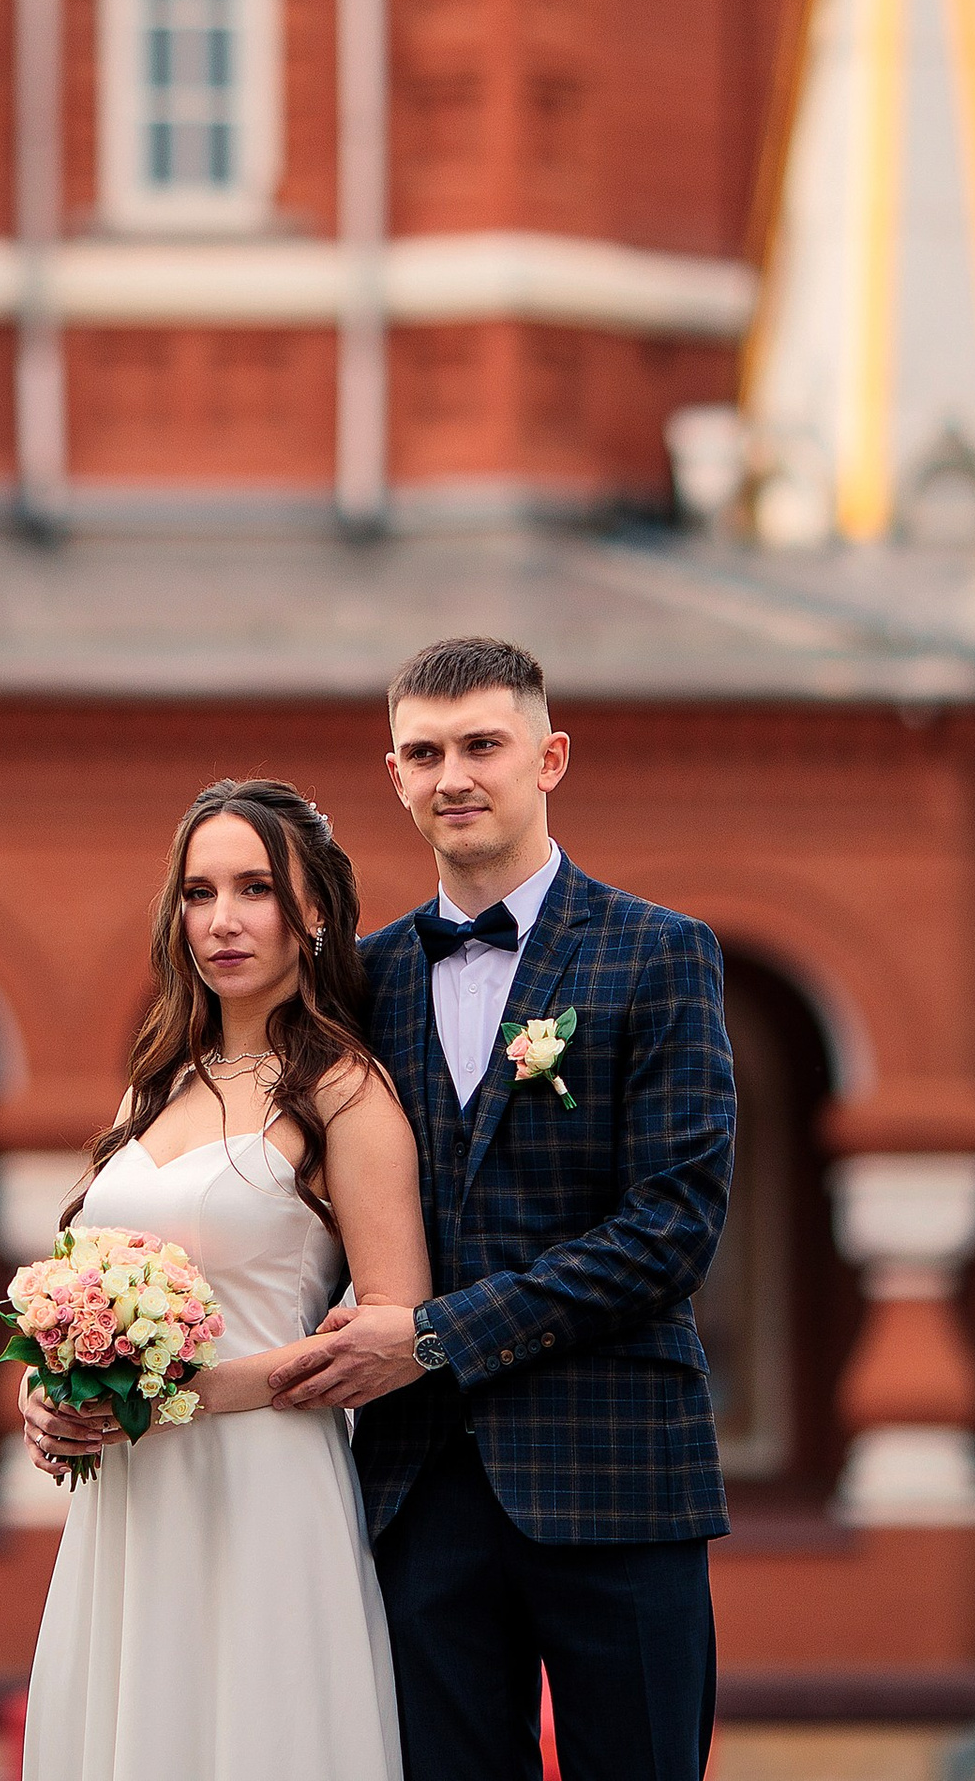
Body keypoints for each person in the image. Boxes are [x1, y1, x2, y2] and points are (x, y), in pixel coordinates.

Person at [265, 634, 735, 1781]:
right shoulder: (355, 984)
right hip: (419, 1494)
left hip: (617, 1478)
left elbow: (669, 1228)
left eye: (483, 744)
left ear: (549, 757)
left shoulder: (658, 954)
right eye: (423, 752)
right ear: (393, 774)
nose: (452, 777)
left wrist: (433, 1335)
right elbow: (294, 1219)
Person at [17, 778, 429, 1781]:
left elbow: (399, 1327)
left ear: (313, 912)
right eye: (200, 893)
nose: (223, 920)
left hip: (262, 1484)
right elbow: (87, 1283)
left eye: (255, 888)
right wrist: (53, 1389)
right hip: (128, 1495)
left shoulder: (345, 1089)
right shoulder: (155, 1083)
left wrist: (178, 1398)